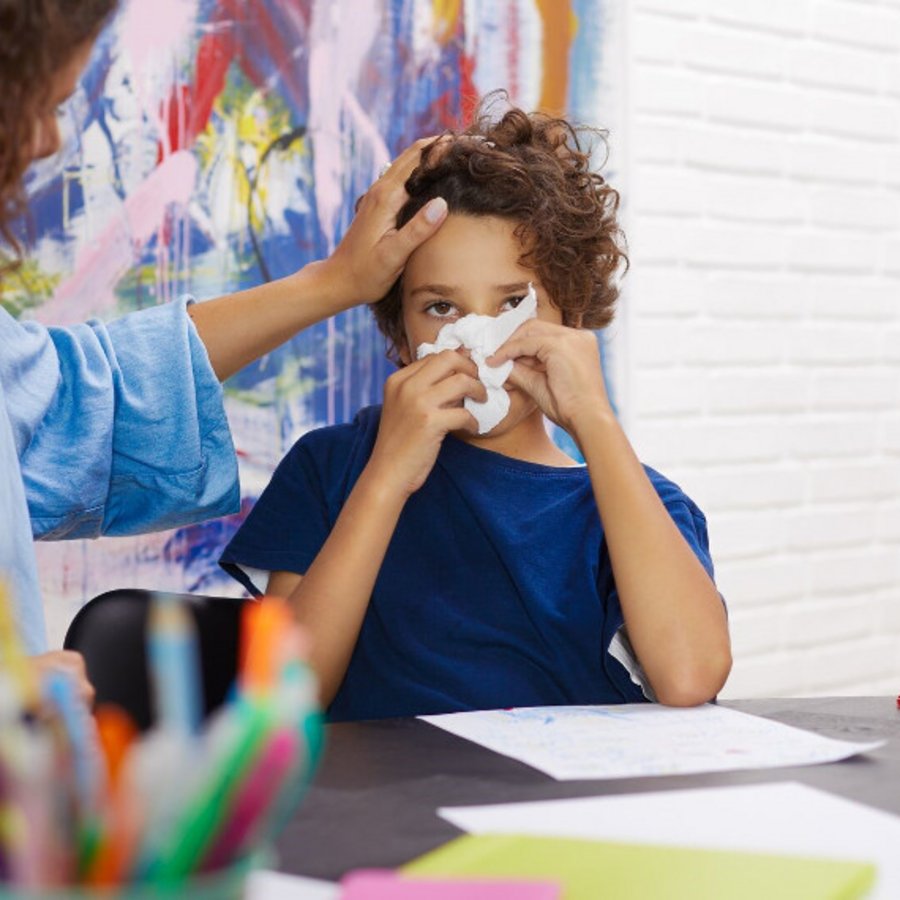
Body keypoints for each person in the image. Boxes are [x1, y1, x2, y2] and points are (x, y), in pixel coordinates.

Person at [220, 102, 733, 721]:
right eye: (441, 308)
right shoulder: (334, 465)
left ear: (567, 318)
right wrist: (385, 479)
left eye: (512, 302)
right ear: (401, 330)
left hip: (550, 811)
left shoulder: (629, 505)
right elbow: (281, 701)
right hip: (382, 811)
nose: (476, 338)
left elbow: (690, 676)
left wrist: (595, 423)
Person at [0, 0, 449, 699]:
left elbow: (75, 399)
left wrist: (331, 284)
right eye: (44, 104)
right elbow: (295, 683)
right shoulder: (331, 471)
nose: (51, 139)